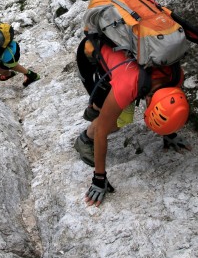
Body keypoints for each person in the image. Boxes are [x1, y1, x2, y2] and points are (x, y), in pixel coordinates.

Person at [75, 36, 191, 207]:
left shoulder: (174, 77)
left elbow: (163, 99)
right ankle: (85, 139)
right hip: (90, 54)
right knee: (110, 121)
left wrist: (169, 131)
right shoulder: (128, 85)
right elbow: (102, 132)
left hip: (126, 64)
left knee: (123, 111)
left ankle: (100, 107)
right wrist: (99, 179)